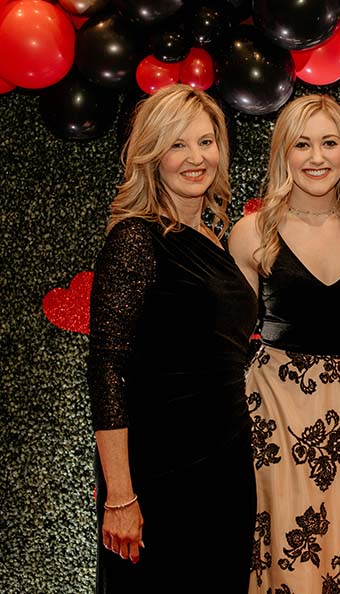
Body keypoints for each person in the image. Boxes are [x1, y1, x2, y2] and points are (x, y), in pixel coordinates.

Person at [228, 94, 340, 594]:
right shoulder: (251, 235)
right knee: (283, 553)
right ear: (283, 153)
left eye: (330, 143)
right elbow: (228, 341)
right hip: (273, 410)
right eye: (302, 144)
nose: (317, 157)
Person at [86, 84, 257, 593]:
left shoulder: (211, 238)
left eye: (205, 142)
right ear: (152, 154)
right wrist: (119, 495)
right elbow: (107, 368)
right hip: (161, 473)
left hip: (224, 463)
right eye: (177, 144)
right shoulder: (136, 239)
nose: (195, 157)